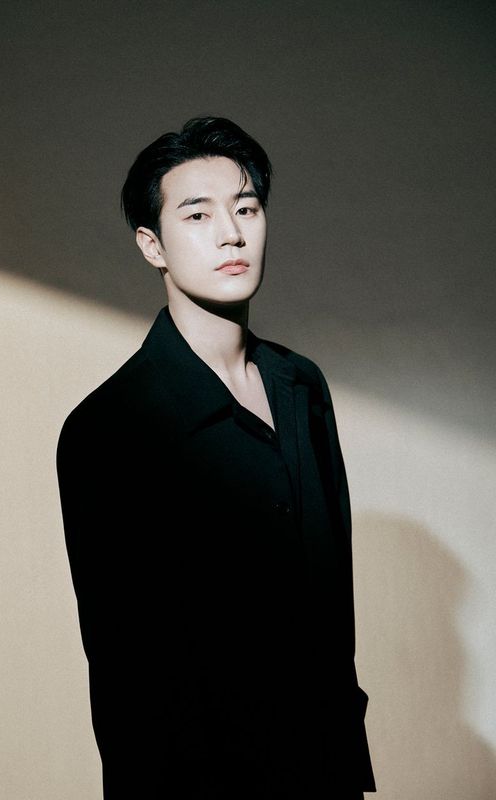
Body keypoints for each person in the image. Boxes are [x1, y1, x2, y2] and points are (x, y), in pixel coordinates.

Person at [56, 116, 376, 799]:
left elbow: (332, 605)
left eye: (247, 209)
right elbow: (125, 671)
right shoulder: (109, 427)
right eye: (198, 215)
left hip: (323, 766)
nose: (231, 233)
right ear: (153, 245)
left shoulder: (301, 387)